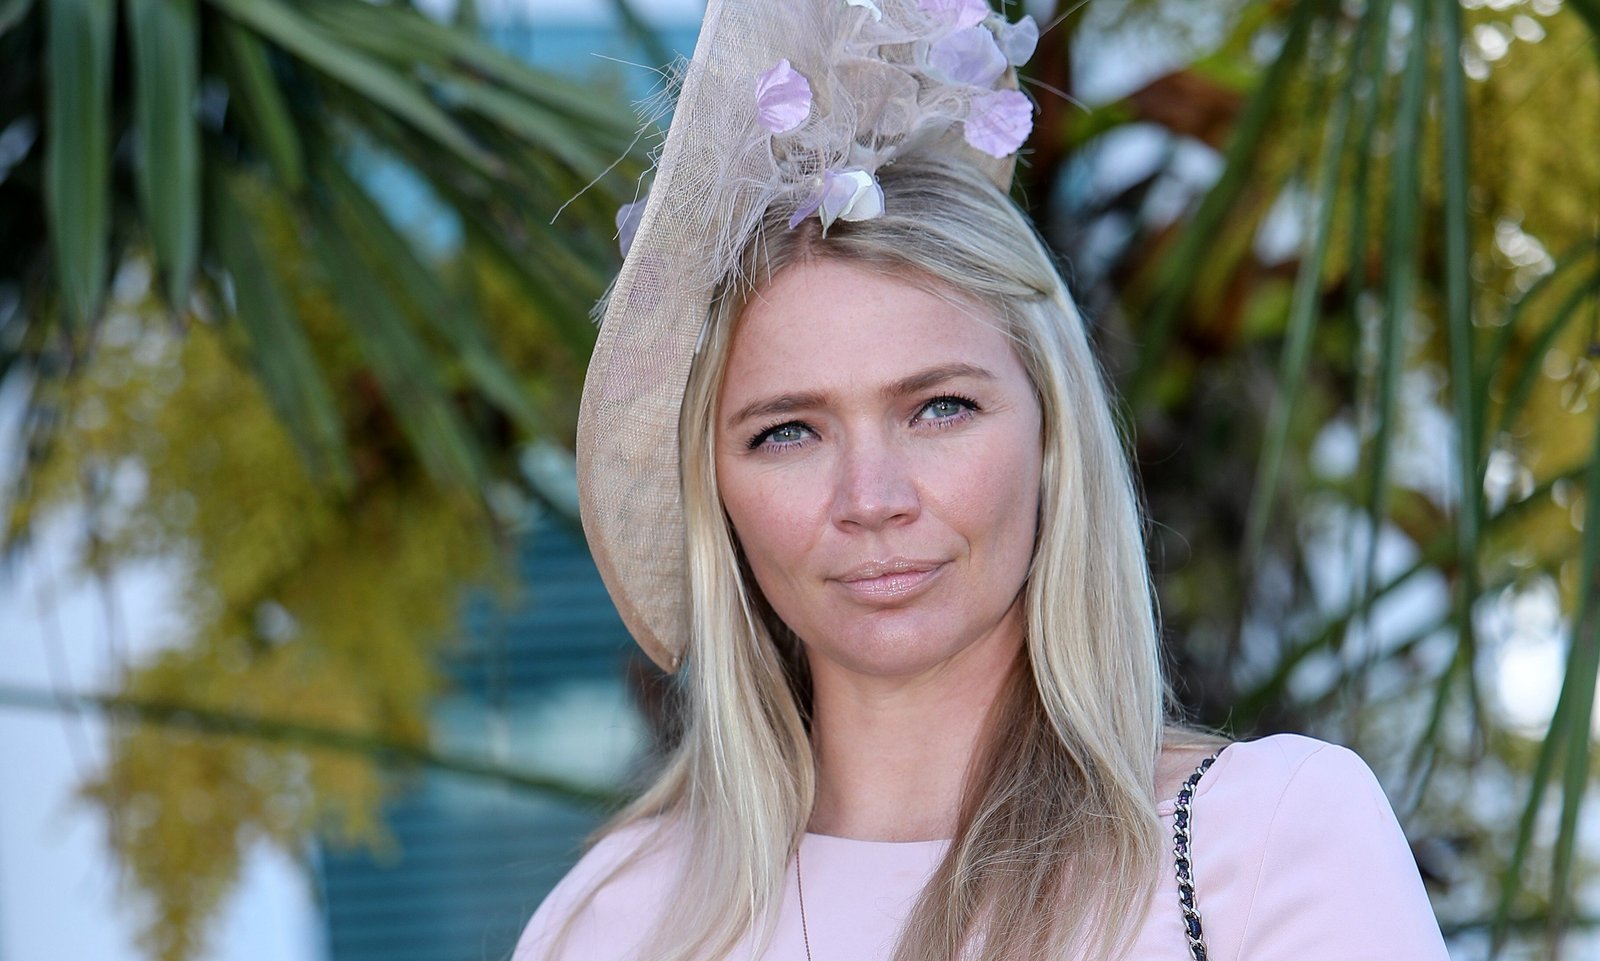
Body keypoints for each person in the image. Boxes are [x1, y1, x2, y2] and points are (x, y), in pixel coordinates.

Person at [515, 1, 1452, 959]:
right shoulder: (614, 916)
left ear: (1053, 435)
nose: (871, 497)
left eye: (940, 409)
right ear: (716, 490)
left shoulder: (1259, 846)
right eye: (789, 431)